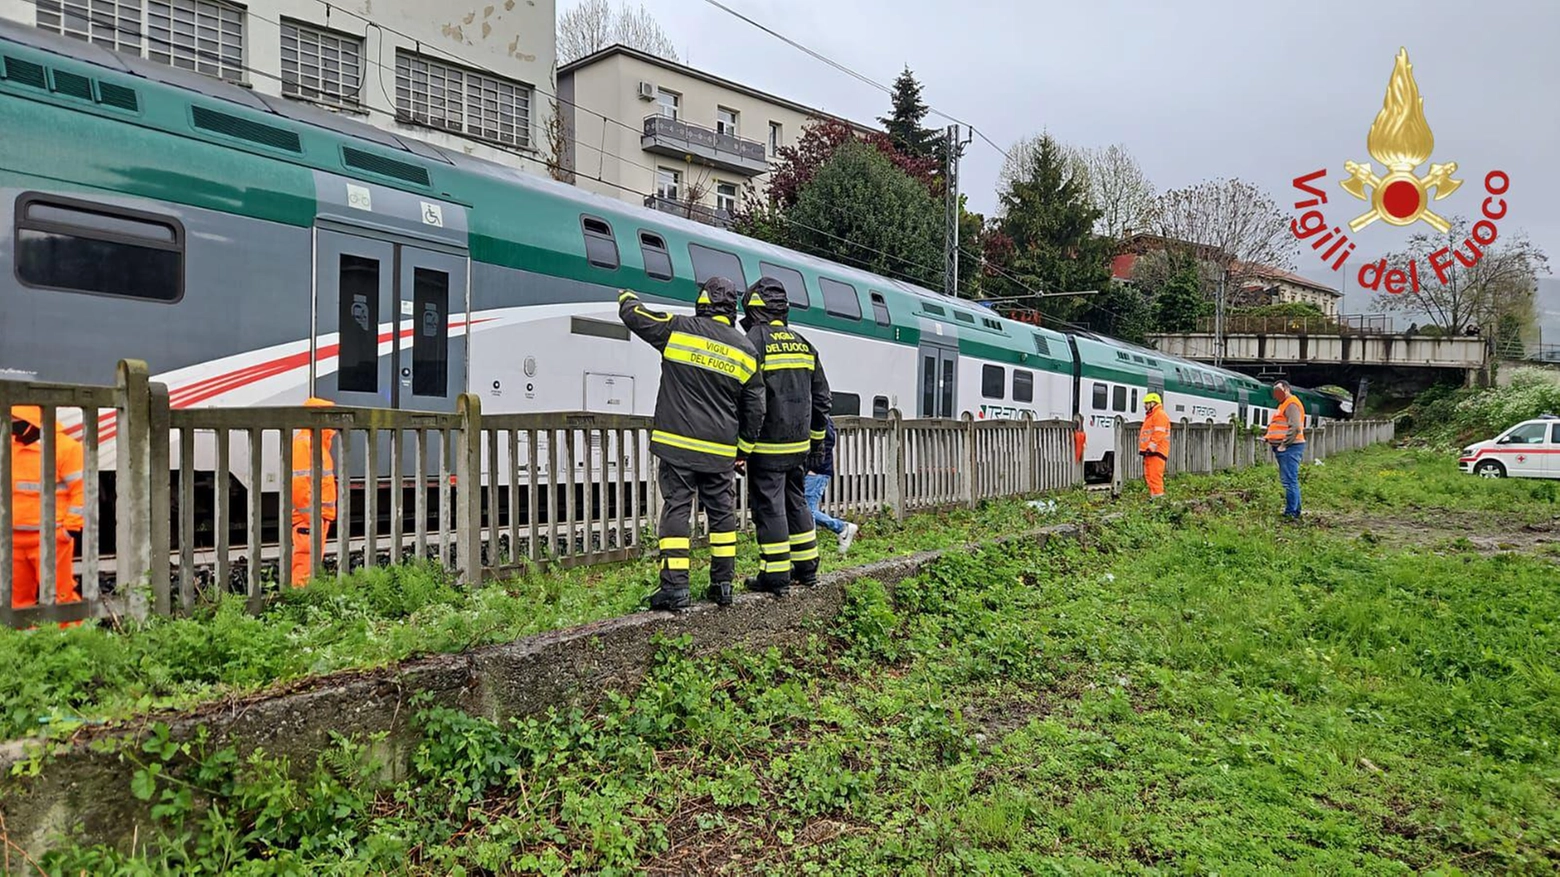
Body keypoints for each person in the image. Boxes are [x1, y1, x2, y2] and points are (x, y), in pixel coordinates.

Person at [620, 278, 764, 610]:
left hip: (677, 446)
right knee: (722, 514)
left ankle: (675, 587)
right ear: (732, 309)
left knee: (676, 510)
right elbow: (756, 408)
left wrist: (627, 295)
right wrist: (743, 449)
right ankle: (723, 583)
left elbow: (636, 316)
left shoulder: (678, 329)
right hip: (720, 452)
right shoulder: (746, 350)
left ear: (702, 302)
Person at [740, 277, 831, 596]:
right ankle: (807, 568)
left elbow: (749, 398)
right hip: (799, 448)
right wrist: (816, 442)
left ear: (754, 310)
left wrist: (742, 445)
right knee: (796, 503)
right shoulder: (804, 343)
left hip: (766, 447)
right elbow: (822, 401)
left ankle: (775, 574)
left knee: (770, 506)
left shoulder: (753, 341)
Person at [10, 405, 85, 618]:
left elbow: (82, 492)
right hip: (13, 539)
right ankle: (24, 644)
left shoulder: (65, 448)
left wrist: (68, 530)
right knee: (16, 600)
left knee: (59, 597)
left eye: (14, 419)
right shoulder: (10, 446)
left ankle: (67, 640)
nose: (10, 425)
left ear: (31, 421)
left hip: (50, 538)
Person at [290, 397, 339, 586]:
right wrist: (313, 517)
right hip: (310, 517)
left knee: (310, 561)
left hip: (317, 515)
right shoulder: (305, 444)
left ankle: (304, 598)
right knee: (305, 562)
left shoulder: (316, 442)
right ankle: (299, 601)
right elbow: (299, 486)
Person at [804, 416, 859, 554]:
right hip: (814, 470)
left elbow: (827, 442)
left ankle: (842, 528)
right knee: (804, 509)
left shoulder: (821, 418)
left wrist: (813, 465)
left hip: (816, 471)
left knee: (805, 510)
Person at [1265, 381, 1307, 521]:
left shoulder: (1291, 404)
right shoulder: (1283, 404)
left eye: (1279, 390)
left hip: (1290, 447)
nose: (1277, 394)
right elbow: (1279, 426)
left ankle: (1291, 513)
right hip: (1288, 447)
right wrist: (1269, 438)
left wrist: (1284, 444)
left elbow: (1295, 427)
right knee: (1290, 480)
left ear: (1287, 389)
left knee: (1289, 481)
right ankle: (1295, 511)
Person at [1138, 393, 1170, 499]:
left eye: (1147, 403)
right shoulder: (1152, 416)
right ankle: (1154, 499)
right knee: (1150, 476)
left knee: (1155, 476)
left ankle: (1158, 501)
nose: (1145, 406)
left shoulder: (1159, 415)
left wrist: (1151, 447)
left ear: (1153, 403)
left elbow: (1158, 433)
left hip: (1156, 451)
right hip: (1151, 451)